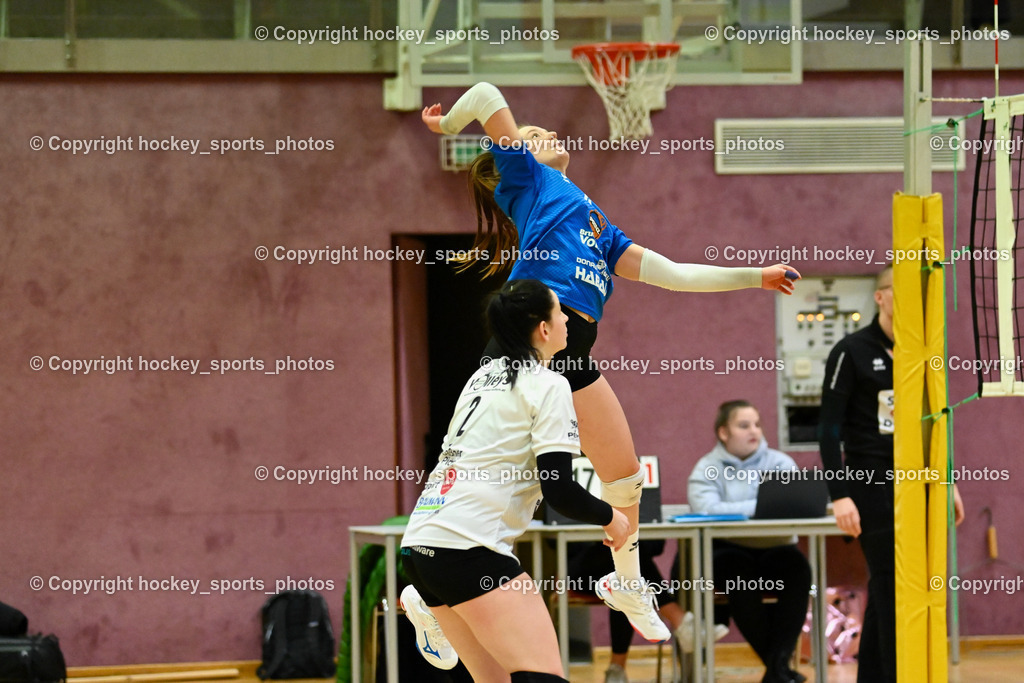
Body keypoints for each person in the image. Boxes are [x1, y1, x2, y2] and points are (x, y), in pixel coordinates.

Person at [419, 82, 801, 641]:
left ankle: (627, 583)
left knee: (624, 479)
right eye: (529, 133)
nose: (542, 132)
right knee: (495, 483)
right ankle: (428, 594)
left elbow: (672, 273)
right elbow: (482, 94)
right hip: (527, 348)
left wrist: (754, 277)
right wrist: (450, 124)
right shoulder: (528, 180)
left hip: (572, 354)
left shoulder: (595, 220)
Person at [400, 279, 630, 683]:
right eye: (560, 311)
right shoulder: (550, 385)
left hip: (421, 545)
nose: (566, 319)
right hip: (469, 550)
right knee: (544, 677)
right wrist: (611, 517)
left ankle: (426, 607)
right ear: (543, 328)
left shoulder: (480, 378)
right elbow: (560, 489)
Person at [818, 265, 964, 683]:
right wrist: (839, 494)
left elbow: (939, 422)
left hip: (919, 481)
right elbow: (828, 431)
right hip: (870, 482)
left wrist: (947, 481)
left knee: (891, 589)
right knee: (893, 583)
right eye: (899, 293)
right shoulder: (851, 351)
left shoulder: (925, 352)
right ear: (880, 297)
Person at [687, 400, 812, 683]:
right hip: (729, 549)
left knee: (800, 570)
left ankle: (776, 669)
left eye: (757, 424)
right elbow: (705, 508)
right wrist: (760, 507)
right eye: (744, 426)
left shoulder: (781, 462)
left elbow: (793, 503)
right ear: (724, 432)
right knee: (739, 575)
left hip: (777, 547)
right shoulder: (707, 467)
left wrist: (744, 508)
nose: (754, 431)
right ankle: (780, 669)